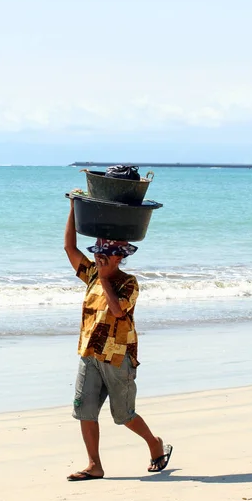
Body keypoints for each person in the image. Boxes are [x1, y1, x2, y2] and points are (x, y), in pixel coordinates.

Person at [64, 198, 173, 481]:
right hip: (89, 352)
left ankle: (154, 443)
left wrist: (103, 277)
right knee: (84, 409)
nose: (100, 257)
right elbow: (69, 248)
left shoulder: (128, 282)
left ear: (119, 258)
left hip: (117, 356)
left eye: (106, 254)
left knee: (123, 415)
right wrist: (73, 210)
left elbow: (116, 310)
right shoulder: (90, 275)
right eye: (99, 252)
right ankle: (94, 465)